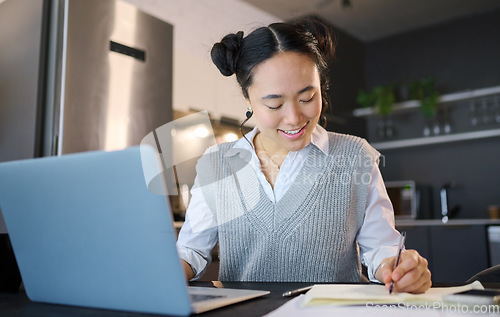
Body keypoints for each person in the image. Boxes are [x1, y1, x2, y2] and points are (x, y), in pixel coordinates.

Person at [176, 17, 431, 294]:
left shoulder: (355, 156)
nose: (294, 118)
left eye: (307, 98)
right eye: (274, 104)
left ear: (321, 86)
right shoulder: (218, 164)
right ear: (248, 99)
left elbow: (382, 249)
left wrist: (400, 269)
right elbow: (190, 250)